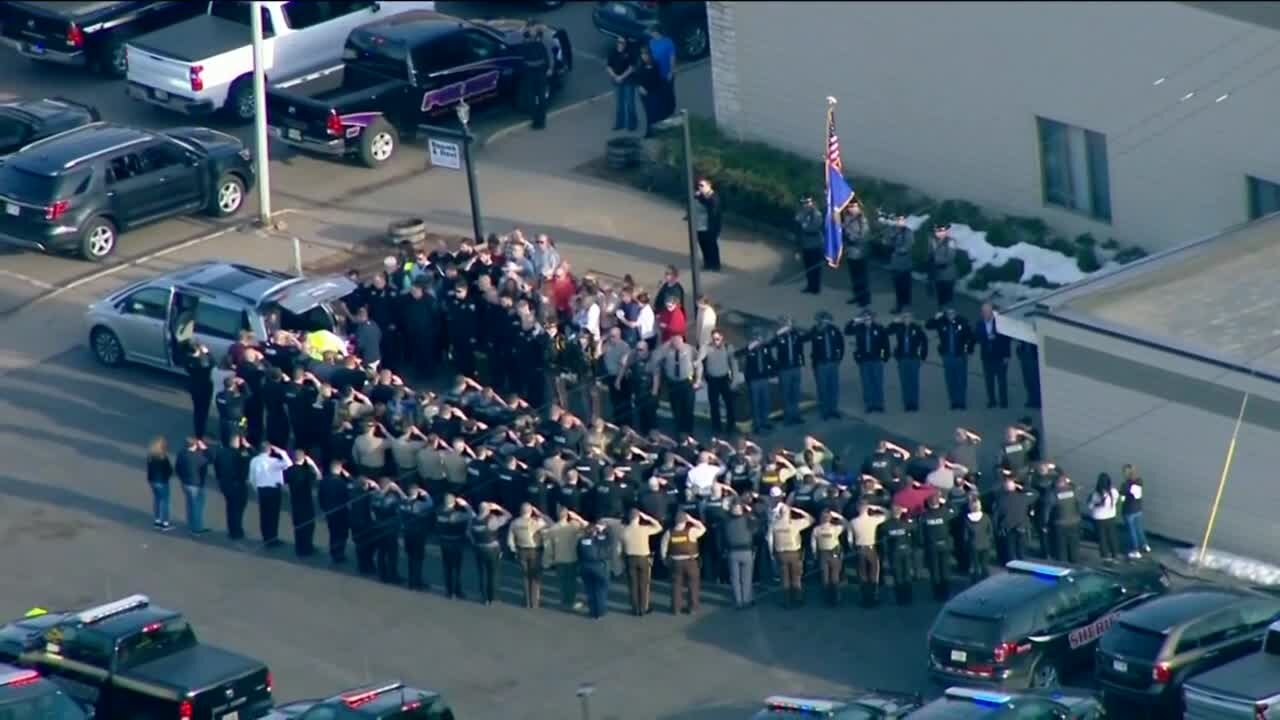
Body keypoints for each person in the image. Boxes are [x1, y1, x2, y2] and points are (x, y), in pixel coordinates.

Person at [927, 308, 973, 411]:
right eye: (948, 313)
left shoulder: (963, 322)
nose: (951, 315)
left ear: (956, 313)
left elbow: (971, 337)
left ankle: (961, 402)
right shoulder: (941, 323)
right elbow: (928, 326)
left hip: (960, 355)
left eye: (952, 313)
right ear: (945, 314)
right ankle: (954, 402)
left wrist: (969, 351)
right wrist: (935, 318)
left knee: (961, 379)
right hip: (947, 356)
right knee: (950, 379)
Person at [544, 506, 589, 611]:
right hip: (572, 557)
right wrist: (577, 517)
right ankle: (571, 602)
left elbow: (548, 547)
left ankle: (564, 601)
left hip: (559, 558)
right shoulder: (573, 526)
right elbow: (587, 526)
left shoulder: (553, 529)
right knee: (572, 582)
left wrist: (548, 560)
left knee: (562, 582)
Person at [771, 502, 814, 608]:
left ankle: (786, 601)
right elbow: (811, 519)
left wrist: (773, 552)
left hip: (781, 554)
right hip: (794, 553)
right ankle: (798, 599)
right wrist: (798, 510)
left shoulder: (774, 524)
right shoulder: (794, 523)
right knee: (796, 578)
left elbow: (770, 540)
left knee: (785, 578)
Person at [621, 508, 663, 615]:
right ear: (639, 517)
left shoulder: (624, 530)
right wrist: (648, 517)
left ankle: (635, 608)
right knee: (644, 584)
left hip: (630, 559)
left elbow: (618, 548)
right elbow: (659, 527)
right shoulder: (644, 529)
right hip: (643, 558)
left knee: (633, 585)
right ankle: (643, 608)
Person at [662, 510, 706, 614]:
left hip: (676, 562)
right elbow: (703, 528)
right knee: (693, 586)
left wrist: (664, 559)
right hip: (691, 562)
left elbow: (663, 547)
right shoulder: (691, 531)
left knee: (676, 586)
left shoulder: (669, 532)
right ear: (685, 520)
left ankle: (676, 608)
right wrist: (692, 519)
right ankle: (693, 608)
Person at [846, 309, 889, 414]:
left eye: (869, 318)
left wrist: (883, 357)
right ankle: (869, 404)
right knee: (866, 383)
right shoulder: (858, 328)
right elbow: (847, 330)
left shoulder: (879, 328)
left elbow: (885, 345)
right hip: (864, 360)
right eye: (865, 318)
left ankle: (879, 404)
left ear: (872, 318)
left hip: (876, 359)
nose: (867, 320)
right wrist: (855, 320)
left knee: (877, 382)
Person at [248, 443, 291, 547]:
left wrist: (257, 489)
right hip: (274, 490)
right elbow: (289, 464)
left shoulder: (254, 461)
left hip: (262, 489)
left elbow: (251, 478)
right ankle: (273, 538)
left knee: (264, 514)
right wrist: (282, 452)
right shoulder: (274, 461)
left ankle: (266, 537)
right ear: (270, 450)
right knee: (273, 515)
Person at [470, 501, 512, 605]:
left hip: (479, 548)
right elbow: (508, 516)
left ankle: (484, 598)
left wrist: (475, 543)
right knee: (493, 573)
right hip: (492, 549)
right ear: (488, 510)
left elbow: (469, 534)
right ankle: (493, 597)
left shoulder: (474, 520)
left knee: (482, 573)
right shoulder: (491, 520)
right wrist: (498, 507)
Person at [508, 503, 549, 608]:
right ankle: (534, 602)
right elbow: (551, 524)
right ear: (531, 511)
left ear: (521, 511)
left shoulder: (515, 523)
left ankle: (527, 602)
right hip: (535, 551)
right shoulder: (536, 522)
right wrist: (540, 514)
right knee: (535, 577)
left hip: (521, 550)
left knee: (525, 577)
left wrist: (514, 550)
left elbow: (510, 540)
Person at [697, 328, 738, 434]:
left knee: (729, 403)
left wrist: (734, 380)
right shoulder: (707, 347)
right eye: (714, 339)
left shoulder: (728, 347)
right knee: (714, 405)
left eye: (717, 339)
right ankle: (716, 427)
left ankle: (731, 426)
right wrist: (698, 359)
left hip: (724, 379)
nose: (716, 341)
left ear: (722, 337)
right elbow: (701, 357)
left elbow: (733, 364)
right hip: (712, 380)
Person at [654, 334, 696, 435]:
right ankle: (679, 430)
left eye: (679, 343)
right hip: (673, 383)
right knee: (676, 408)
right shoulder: (667, 350)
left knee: (688, 408)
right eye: (675, 343)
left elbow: (699, 363)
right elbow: (655, 356)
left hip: (687, 382)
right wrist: (666, 344)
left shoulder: (690, 349)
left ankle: (688, 432)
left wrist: (698, 380)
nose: (677, 345)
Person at [434, 493, 474, 599]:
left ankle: (449, 591)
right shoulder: (456, 514)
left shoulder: (439, 511)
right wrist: (466, 505)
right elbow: (472, 515)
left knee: (447, 568)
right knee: (456, 568)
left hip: (444, 542)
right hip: (456, 542)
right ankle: (457, 591)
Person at [973, 302, 1012, 409]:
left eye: (988, 312)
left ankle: (1003, 401)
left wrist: (1007, 356)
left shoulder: (1000, 323)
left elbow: (1006, 340)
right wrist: (986, 338)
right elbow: (977, 337)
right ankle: (992, 400)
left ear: (992, 313)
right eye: (984, 312)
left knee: (1001, 380)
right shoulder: (979, 324)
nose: (986, 314)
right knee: (989, 380)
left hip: (1000, 356)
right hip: (986, 357)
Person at [920, 494, 958, 600]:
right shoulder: (945, 513)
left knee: (935, 570)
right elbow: (956, 510)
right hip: (945, 545)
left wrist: (923, 544)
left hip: (931, 546)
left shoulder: (924, 516)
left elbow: (921, 533)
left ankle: (937, 594)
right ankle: (946, 593)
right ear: (938, 502)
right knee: (945, 569)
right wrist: (945, 501)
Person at [808, 311, 845, 420]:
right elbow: (807, 338)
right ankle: (825, 411)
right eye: (822, 320)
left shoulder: (834, 330)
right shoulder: (815, 331)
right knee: (822, 388)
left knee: (833, 387)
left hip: (833, 362)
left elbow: (841, 344)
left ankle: (833, 409)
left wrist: (839, 358)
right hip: (821, 364)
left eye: (826, 320)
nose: (825, 323)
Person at [720, 501, 757, 609]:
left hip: (732, 552)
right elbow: (756, 529)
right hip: (746, 551)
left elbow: (722, 536)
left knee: (735, 578)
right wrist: (749, 511)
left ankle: (738, 601)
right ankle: (747, 600)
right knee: (747, 577)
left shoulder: (726, 521)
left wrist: (723, 550)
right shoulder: (748, 519)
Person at [849, 501, 887, 603]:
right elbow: (887, 514)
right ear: (867, 508)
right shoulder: (873, 520)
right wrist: (876, 506)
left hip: (859, 549)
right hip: (871, 548)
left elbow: (849, 539)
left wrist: (852, 547)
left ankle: (864, 597)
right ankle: (874, 596)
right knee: (874, 573)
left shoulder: (853, 521)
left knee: (862, 574)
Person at [284, 449, 320, 557]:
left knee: (298, 525)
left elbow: (285, 483)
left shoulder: (289, 470)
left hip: (295, 502)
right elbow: (318, 476)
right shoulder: (307, 471)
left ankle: (299, 547)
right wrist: (311, 463)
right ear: (304, 458)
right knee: (308, 526)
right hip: (306, 502)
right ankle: (307, 547)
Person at [992, 473, 1035, 563]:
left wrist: (996, 531)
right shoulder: (1023, 497)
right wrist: (1022, 488)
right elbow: (1036, 493)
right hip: (1020, 528)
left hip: (1009, 529)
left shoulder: (1000, 500)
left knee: (1011, 554)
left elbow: (995, 517)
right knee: (1021, 553)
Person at [738, 329, 775, 433]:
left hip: (764, 379)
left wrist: (774, 372)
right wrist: (749, 347)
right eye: (757, 337)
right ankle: (757, 425)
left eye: (760, 337)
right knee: (755, 403)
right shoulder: (749, 350)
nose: (760, 339)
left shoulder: (765, 348)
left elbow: (770, 360)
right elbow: (738, 354)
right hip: (754, 381)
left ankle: (766, 422)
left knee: (765, 401)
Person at [880, 505, 917, 605]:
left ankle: (900, 598)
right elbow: (914, 530)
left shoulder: (885, 526)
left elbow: (883, 542)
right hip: (906, 551)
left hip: (894, 553)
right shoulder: (906, 523)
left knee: (898, 576)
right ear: (900, 512)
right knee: (907, 574)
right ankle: (908, 597)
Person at [770, 318, 805, 424]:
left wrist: (801, 361)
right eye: (784, 325)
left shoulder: (795, 335)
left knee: (795, 393)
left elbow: (801, 344)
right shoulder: (779, 337)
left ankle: (796, 415)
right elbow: (771, 344)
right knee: (786, 394)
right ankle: (788, 417)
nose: (787, 326)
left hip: (795, 367)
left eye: (788, 324)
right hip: (784, 369)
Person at [174, 436, 211, 535]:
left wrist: (182, 479)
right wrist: (205, 448)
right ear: (195, 445)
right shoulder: (199, 457)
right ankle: (197, 528)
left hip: (186, 483)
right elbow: (210, 459)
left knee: (190, 504)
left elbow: (177, 469)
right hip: (197, 484)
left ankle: (190, 524)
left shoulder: (181, 454)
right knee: (197, 506)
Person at [811, 509, 847, 606]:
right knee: (825, 577)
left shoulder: (835, 528)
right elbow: (813, 543)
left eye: (827, 516)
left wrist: (836, 515)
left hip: (834, 552)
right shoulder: (816, 529)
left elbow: (846, 524)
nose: (825, 518)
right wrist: (815, 553)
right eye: (823, 516)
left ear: (830, 518)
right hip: (823, 553)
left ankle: (836, 598)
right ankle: (827, 598)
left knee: (834, 577)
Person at [317, 461, 351, 564]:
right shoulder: (341, 482)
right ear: (340, 469)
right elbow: (348, 496)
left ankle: (334, 552)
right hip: (341, 512)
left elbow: (320, 496)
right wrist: (348, 476)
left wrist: (324, 508)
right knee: (342, 533)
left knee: (333, 532)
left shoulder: (324, 481)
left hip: (329, 511)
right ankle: (339, 553)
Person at [578, 521, 613, 618]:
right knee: (601, 590)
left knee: (590, 590)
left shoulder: (581, 541)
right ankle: (600, 612)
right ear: (595, 532)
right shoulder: (600, 540)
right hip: (600, 567)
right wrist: (603, 530)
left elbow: (578, 554)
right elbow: (609, 539)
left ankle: (592, 611)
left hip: (585, 567)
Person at [794, 197, 825, 294]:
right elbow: (797, 219)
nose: (805, 205)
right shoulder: (804, 213)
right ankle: (810, 285)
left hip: (815, 244)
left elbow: (813, 228)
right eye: (804, 203)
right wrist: (803, 221)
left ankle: (816, 287)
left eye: (807, 203)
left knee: (815, 267)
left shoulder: (816, 214)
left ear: (812, 203)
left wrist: (803, 225)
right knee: (808, 266)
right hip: (806, 244)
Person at [1049, 474, 1082, 563]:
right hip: (1074, 522)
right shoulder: (1073, 491)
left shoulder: (1054, 493)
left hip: (1060, 523)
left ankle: (1063, 564)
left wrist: (1045, 522)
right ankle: (1075, 563)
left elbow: (1048, 508)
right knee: (1074, 545)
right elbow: (1078, 502)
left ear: (1056, 483)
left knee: (1061, 546)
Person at [1089, 473, 1121, 562]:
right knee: (1112, 536)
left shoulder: (1096, 494)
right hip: (1110, 516)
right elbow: (1117, 500)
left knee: (1102, 538)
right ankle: (1115, 554)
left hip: (1099, 518)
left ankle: (1105, 556)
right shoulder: (1114, 491)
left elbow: (1090, 506)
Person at [635, 46, 666, 137]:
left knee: (654, 113)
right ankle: (650, 131)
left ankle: (654, 131)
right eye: (642, 55)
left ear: (650, 55)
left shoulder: (655, 66)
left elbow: (658, 80)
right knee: (648, 113)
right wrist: (640, 87)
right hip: (644, 94)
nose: (644, 57)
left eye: (645, 54)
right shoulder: (640, 66)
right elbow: (637, 79)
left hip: (654, 93)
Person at [606, 36, 636, 132]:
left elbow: (631, 68)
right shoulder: (613, 52)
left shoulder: (629, 53)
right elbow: (608, 66)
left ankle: (632, 124)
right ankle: (620, 123)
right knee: (619, 104)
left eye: (622, 43)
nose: (620, 44)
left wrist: (621, 77)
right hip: (617, 81)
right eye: (619, 42)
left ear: (625, 44)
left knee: (630, 103)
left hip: (628, 81)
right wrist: (615, 76)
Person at [185, 344, 215, 439]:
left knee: (198, 411)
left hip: (194, 387)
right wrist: (207, 353)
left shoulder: (188, 360)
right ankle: (200, 434)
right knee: (203, 411)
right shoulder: (202, 362)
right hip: (204, 389)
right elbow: (212, 363)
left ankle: (200, 431)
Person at [886, 216, 914, 313]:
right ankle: (899, 304)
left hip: (905, 263)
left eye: (901, 220)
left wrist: (895, 248)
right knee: (897, 285)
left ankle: (906, 304)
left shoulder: (908, 232)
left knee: (906, 285)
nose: (899, 222)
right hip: (895, 263)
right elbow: (888, 242)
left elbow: (907, 247)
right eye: (898, 220)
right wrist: (892, 238)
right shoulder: (892, 230)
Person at [1121, 464, 1150, 558]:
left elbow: (1122, 498)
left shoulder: (1125, 485)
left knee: (1131, 531)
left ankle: (1135, 550)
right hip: (1138, 509)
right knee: (1139, 529)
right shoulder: (1139, 481)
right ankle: (1145, 545)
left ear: (1126, 473)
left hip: (1129, 510)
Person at [693, 178, 722, 271]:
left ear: (709, 185)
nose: (699, 187)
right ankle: (707, 263)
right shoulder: (703, 196)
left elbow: (712, 210)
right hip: (701, 225)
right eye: (699, 186)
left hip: (711, 227)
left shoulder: (714, 197)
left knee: (711, 245)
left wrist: (700, 197)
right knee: (703, 244)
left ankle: (715, 264)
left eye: (702, 185)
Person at [146, 436, 174, 531]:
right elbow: (169, 470)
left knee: (157, 500)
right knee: (165, 501)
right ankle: (165, 523)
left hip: (152, 481)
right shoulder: (163, 458)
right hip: (162, 481)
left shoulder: (150, 457)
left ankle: (157, 521)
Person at [964, 498, 994, 582]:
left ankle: (976, 582)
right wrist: (988, 540)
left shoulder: (967, 519)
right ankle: (986, 581)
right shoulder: (986, 517)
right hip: (985, 544)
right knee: (985, 565)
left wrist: (967, 545)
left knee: (975, 566)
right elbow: (990, 531)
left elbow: (965, 535)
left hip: (973, 545)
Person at [930, 224, 958, 307]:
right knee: (940, 295)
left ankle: (948, 312)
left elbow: (951, 257)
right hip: (938, 273)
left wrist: (937, 261)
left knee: (948, 296)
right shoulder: (933, 241)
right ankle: (941, 311)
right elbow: (931, 254)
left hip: (948, 272)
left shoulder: (951, 242)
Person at [1016, 340, 1042, 408]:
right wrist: (1019, 352)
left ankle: (1038, 401)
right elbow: (1019, 344)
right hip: (1024, 357)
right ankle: (1031, 399)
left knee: (1035, 380)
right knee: (1027, 380)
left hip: (1034, 358)